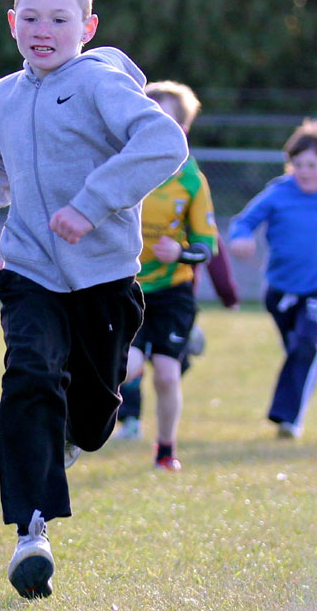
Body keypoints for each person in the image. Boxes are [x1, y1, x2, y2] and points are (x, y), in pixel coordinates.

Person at [0, 0, 188, 600]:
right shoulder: (8, 91)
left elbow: (164, 143)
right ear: (12, 23)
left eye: (59, 18)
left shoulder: (102, 85)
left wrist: (91, 203)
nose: (42, 28)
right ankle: (31, 533)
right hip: (28, 269)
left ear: (88, 24)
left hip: (103, 278)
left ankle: (77, 436)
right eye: (30, 16)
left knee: (94, 421)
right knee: (28, 373)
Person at [116, 80, 218, 470]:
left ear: (182, 130)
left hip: (173, 290)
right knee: (126, 368)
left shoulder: (192, 180)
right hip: (128, 287)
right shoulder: (123, 167)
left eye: (163, 120)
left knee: (167, 374)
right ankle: (85, 426)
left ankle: (165, 451)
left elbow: (207, 245)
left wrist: (181, 252)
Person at [229, 118, 317, 440]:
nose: (305, 171)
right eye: (299, 164)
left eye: (312, 164)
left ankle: (287, 419)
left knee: (306, 345)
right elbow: (243, 222)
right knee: (298, 350)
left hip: (315, 291)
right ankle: (295, 400)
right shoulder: (279, 193)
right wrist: (241, 239)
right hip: (279, 290)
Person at [116, 232, 240, 439]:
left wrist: (227, 294)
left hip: (174, 305)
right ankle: (131, 418)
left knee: (167, 370)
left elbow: (213, 253)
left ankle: (185, 340)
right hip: (134, 293)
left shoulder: (191, 212)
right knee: (129, 364)